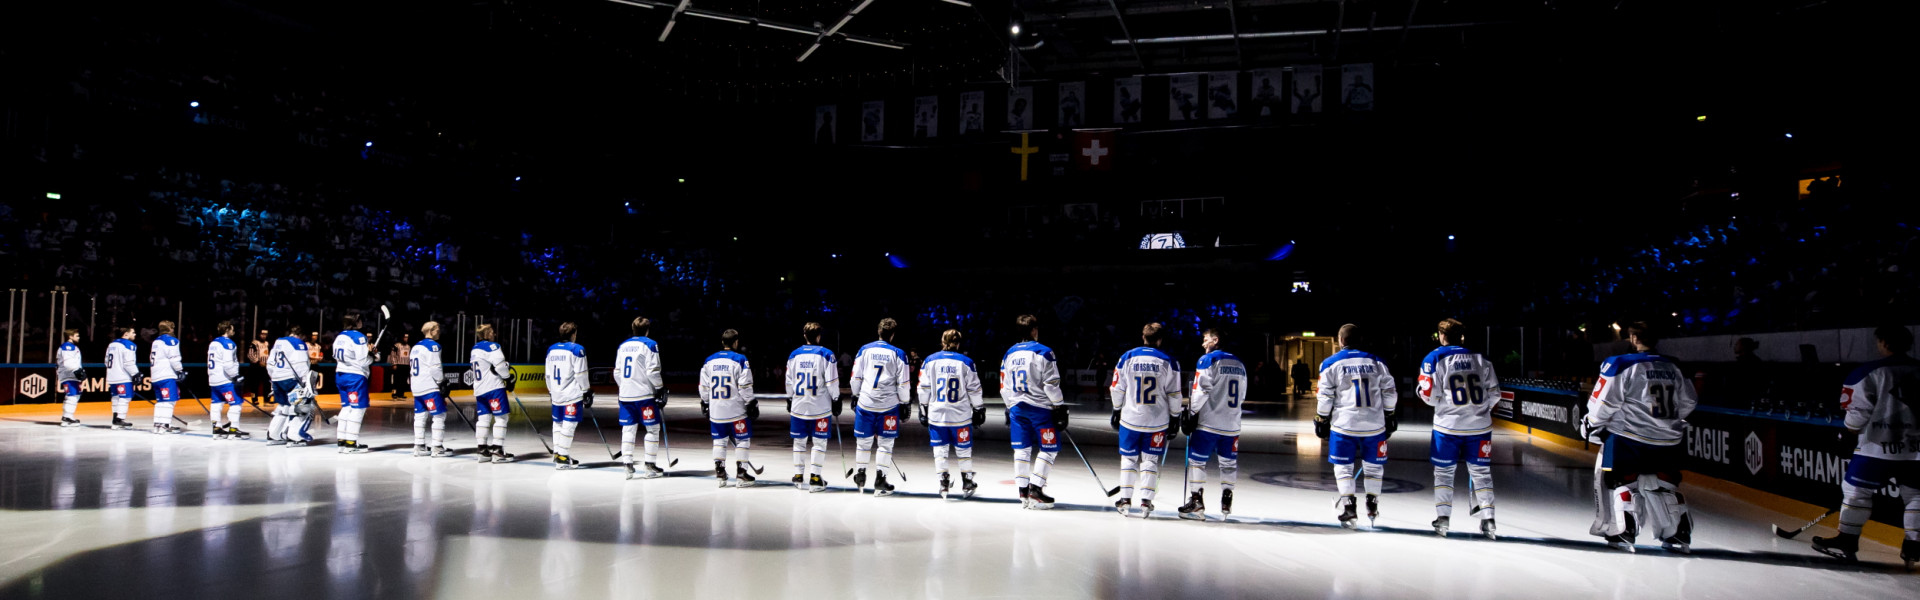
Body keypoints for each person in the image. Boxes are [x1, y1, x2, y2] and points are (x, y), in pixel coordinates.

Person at [1577, 321, 1697, 553]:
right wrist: (1666, 422)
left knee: (1621, 482)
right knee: (1664, 485)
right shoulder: (1674, 366)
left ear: (1632, 339)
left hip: (1628, 438)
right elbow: (1689, 401)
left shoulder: (1620, 364)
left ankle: (1624, 531)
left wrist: (1591, 423)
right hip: (1668, 440)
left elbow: (1605, 402)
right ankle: (1678, 533)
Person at [1811, 324, 1920, 565]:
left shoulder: (1868, 372)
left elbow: (1858, 412)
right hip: (1917, 451)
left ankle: (1847, 539)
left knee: (1856, 492)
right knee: (1916, 495)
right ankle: (1914, 545)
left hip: (1875, 448)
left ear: (1883, 343)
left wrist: (1847, 434)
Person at [1416, 318, 1502, 539]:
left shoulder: (1434, 357)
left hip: (1447, 427)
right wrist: (1480, 411)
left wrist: (1425, 395)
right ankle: (1489, 519)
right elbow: (1495, 394)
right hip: (1479, 427)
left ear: (1441, 336)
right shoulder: (1481, 359)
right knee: (1481, 473)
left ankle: (1443, 518)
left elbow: (1429, 395)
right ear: (1461, 336)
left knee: (1444, 473)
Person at [1314, 323, 1398, 529]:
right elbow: (1389, 391)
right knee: (1374, 468)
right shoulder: (1378, 362)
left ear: (1340, 340)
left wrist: (1321, 418)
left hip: (1344, 425)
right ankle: (1372, 504)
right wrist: (1389, 415)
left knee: (1343, 467)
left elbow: (1325, 396)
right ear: (1360, 340)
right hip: (1374, 425)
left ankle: (1349, 506)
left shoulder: (1330, 363)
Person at [1109, 322, 1184, 518]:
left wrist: (1116, 410)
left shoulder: (1127, 357)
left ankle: (1125, 499)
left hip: (1130, 418)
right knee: (1150, 461)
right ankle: (1146, 501)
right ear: (1159, 339)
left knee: (1128, 459)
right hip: (1157, 420)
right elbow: (1174, 394)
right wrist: (1175, 417)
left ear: (1143, 337)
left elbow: (1117, 388)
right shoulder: (1169, 361)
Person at [1179, 328, 1246, 520]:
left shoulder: (1207, 360)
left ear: (1215, 340)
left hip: (1208, 423)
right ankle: (1227, 500)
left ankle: (1196, 500)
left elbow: (1201, 390)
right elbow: (1242, 394)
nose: (1203, 344)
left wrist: (1190, 413)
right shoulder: (1239, 363)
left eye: (1205, 339)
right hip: (1232, 423)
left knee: (1197, 462)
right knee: (1228, 464)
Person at [1002, 314, 1066, 509]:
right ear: (1033, 330)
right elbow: (1050, 385)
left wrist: (1009, 406)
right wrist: (1060, 405)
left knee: (1021, 450)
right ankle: (1036, 488)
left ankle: (1023, 491)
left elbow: (1004, 387)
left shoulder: (1009, 353)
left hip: (1017, 409)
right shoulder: (1044, 352)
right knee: (1050, 448)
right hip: (1040, 409)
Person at [918, 329, 986, 500]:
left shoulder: (929, 360)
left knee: (940, 450)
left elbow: (923, 388)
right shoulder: (966, 362)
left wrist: (923, 408)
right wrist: (978, 408)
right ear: (958, 343)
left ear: (942, 341)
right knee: (963, 449)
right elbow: (974, 389)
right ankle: (967, 480)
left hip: (937, 413)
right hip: (960, 415)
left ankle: (943, 482)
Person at [850, 318, 912, 496]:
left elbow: (856, 377)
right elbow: (903, 384)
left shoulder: (864, 349)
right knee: (885, 444)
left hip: (866, 402)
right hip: (888, 405)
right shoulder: (899, 353)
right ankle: (881, 479)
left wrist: (855, 395)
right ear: (893, 334)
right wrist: (905, 402)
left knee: (863, 442)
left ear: (878, 331)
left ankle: (860, 475)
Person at [785, 322, 840, 492]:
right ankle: (815, 477)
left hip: (799, 405)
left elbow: (789, 380)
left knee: (799, 442)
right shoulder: (826, 354)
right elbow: (832, 382)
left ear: (804, 336)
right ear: (818, 336)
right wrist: (836, 399)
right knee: (819, 443)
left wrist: (789, 398)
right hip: (820, 407)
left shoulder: (794, 355)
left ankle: (799, 475)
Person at [700, 329, 756, 488]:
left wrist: (705, 402)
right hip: (736, 410)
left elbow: (704, 386)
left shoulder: (709, 360)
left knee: (719, 440)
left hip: (717, 410)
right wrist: (751, 402)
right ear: (736, 342)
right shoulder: (740, 359)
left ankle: (720, 474)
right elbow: (745, 386)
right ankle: (742, 474)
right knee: (743, 439)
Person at [615, 317, 666, 478]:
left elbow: (617, 372)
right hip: (644, 395)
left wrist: (624, 387)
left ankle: (627, 464)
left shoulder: (622, 346)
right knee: (652, 428)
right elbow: (653, 371)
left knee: (628, 429)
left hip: (625, 395)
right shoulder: (650, 344)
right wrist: (659, 388)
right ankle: (650, 465)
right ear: (647, 330)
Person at [547, 322, 591, 470]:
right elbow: (581, 373)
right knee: (569, 424)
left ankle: (558, 453)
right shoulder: (577, 349)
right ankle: (563, 456)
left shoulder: (551, 350)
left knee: (558, 424)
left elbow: (547, 375)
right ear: (573, 334)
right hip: (571, 394)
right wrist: (586, 390)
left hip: (556, 393)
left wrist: (551, 391)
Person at [471, 323, 515, 463]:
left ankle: (482, 450)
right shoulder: (493, 346)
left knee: (483, 419)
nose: (494, 334)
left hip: (479, 389)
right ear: (488, 333)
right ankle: (497, 450)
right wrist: (508, 378)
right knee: (501, 418)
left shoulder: (475, 348)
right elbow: (500, 365)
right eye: (492, 332)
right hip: (494, 388)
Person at [267, 325, 315, 445]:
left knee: (284, 407)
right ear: (302, 335)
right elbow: (302, 365)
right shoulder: (298, 343)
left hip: (277, 379)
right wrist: (306, 385)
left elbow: (270, 363)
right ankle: (295, 436)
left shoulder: (279, 341)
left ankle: (274, 435)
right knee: (305, 406)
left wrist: (274, 378)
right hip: (290, 380)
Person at [333, 313, 373, 454]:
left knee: (346, 407)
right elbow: (363, 361)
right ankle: (351, 443)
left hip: (340, 374)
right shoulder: (359, 336)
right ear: (357, 322)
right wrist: (374, 356)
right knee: (357, 408)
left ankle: (342, 441)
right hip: (355, 377)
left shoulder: (340, 336)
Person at [409, 322, 451, 457]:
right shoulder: (433, 346)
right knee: (439, 415)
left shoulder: (416, 346)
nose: (439, 332)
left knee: (420, 416)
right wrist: (442, 382)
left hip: (417, 386)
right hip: (430, 386)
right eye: (438, 329)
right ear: (432, 331)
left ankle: (419, 445)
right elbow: (435, 367)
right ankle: (437, 447)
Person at [208, 321, 249, 439]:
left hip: (214, 378)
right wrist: (235, 375)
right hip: (225, 379)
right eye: (232, 329)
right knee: (236, 403)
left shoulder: (213, 343)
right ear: (227, 330)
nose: (233, 331)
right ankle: (233, 429)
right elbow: (227, 364)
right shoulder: (228, 344)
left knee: (216, 403)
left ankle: (216, 428)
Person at [147, 321, 186, 434]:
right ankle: (164, 425)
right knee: (169, 401)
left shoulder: (156, 341)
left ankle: (158, 424)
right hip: (166, 376)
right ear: (171, 329)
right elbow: (174, 357)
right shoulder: (171, 340)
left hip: (156, 376)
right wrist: (180, 370)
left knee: (161, 401)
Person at [104, 327, 140, 430]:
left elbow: (106, 361)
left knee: (116, 397)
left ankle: (115, 419)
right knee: (125, 398)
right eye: (133, 332)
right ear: (126, 334)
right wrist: (135, 373)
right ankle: (120, 419)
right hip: (123, 377)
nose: (135, 334)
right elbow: (128, 362)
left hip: (112, 376)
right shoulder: (129, 345)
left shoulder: (111, 344)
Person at [57, 329, 85, 427]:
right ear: (70, 336)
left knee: (74, 394)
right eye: (76, 336)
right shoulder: (68, 346)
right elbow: (68, 362)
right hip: (68, 374)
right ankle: (67, 417)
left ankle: (67, 415)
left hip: (71, 374)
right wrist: (77, 371)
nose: (78, 337)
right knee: (72, 395)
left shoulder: (72, 347)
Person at [250, 329, 272, 401]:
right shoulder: (254, 343)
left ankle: (267, 398)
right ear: (259, 335)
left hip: (265, 366)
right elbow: (250, 355)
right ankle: (254, 398)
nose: (263, 336)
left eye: (265, 335)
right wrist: (258, 362)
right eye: (262, 334)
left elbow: (269, 354)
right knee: (255, 383)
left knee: (267, 383)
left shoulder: (267, 343)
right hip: (256, 366)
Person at [390, 333, 412, 399]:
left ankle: (401, 393)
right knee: (396, 380)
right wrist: (394, 363)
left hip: (406, 365)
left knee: (404, 380)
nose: (406, 339)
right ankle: (394, 393)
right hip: (398, 365)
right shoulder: (397, 345)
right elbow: (393, 355)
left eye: (407, 338)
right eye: (405, 337)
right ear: (402, 338)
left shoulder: (408, 346)